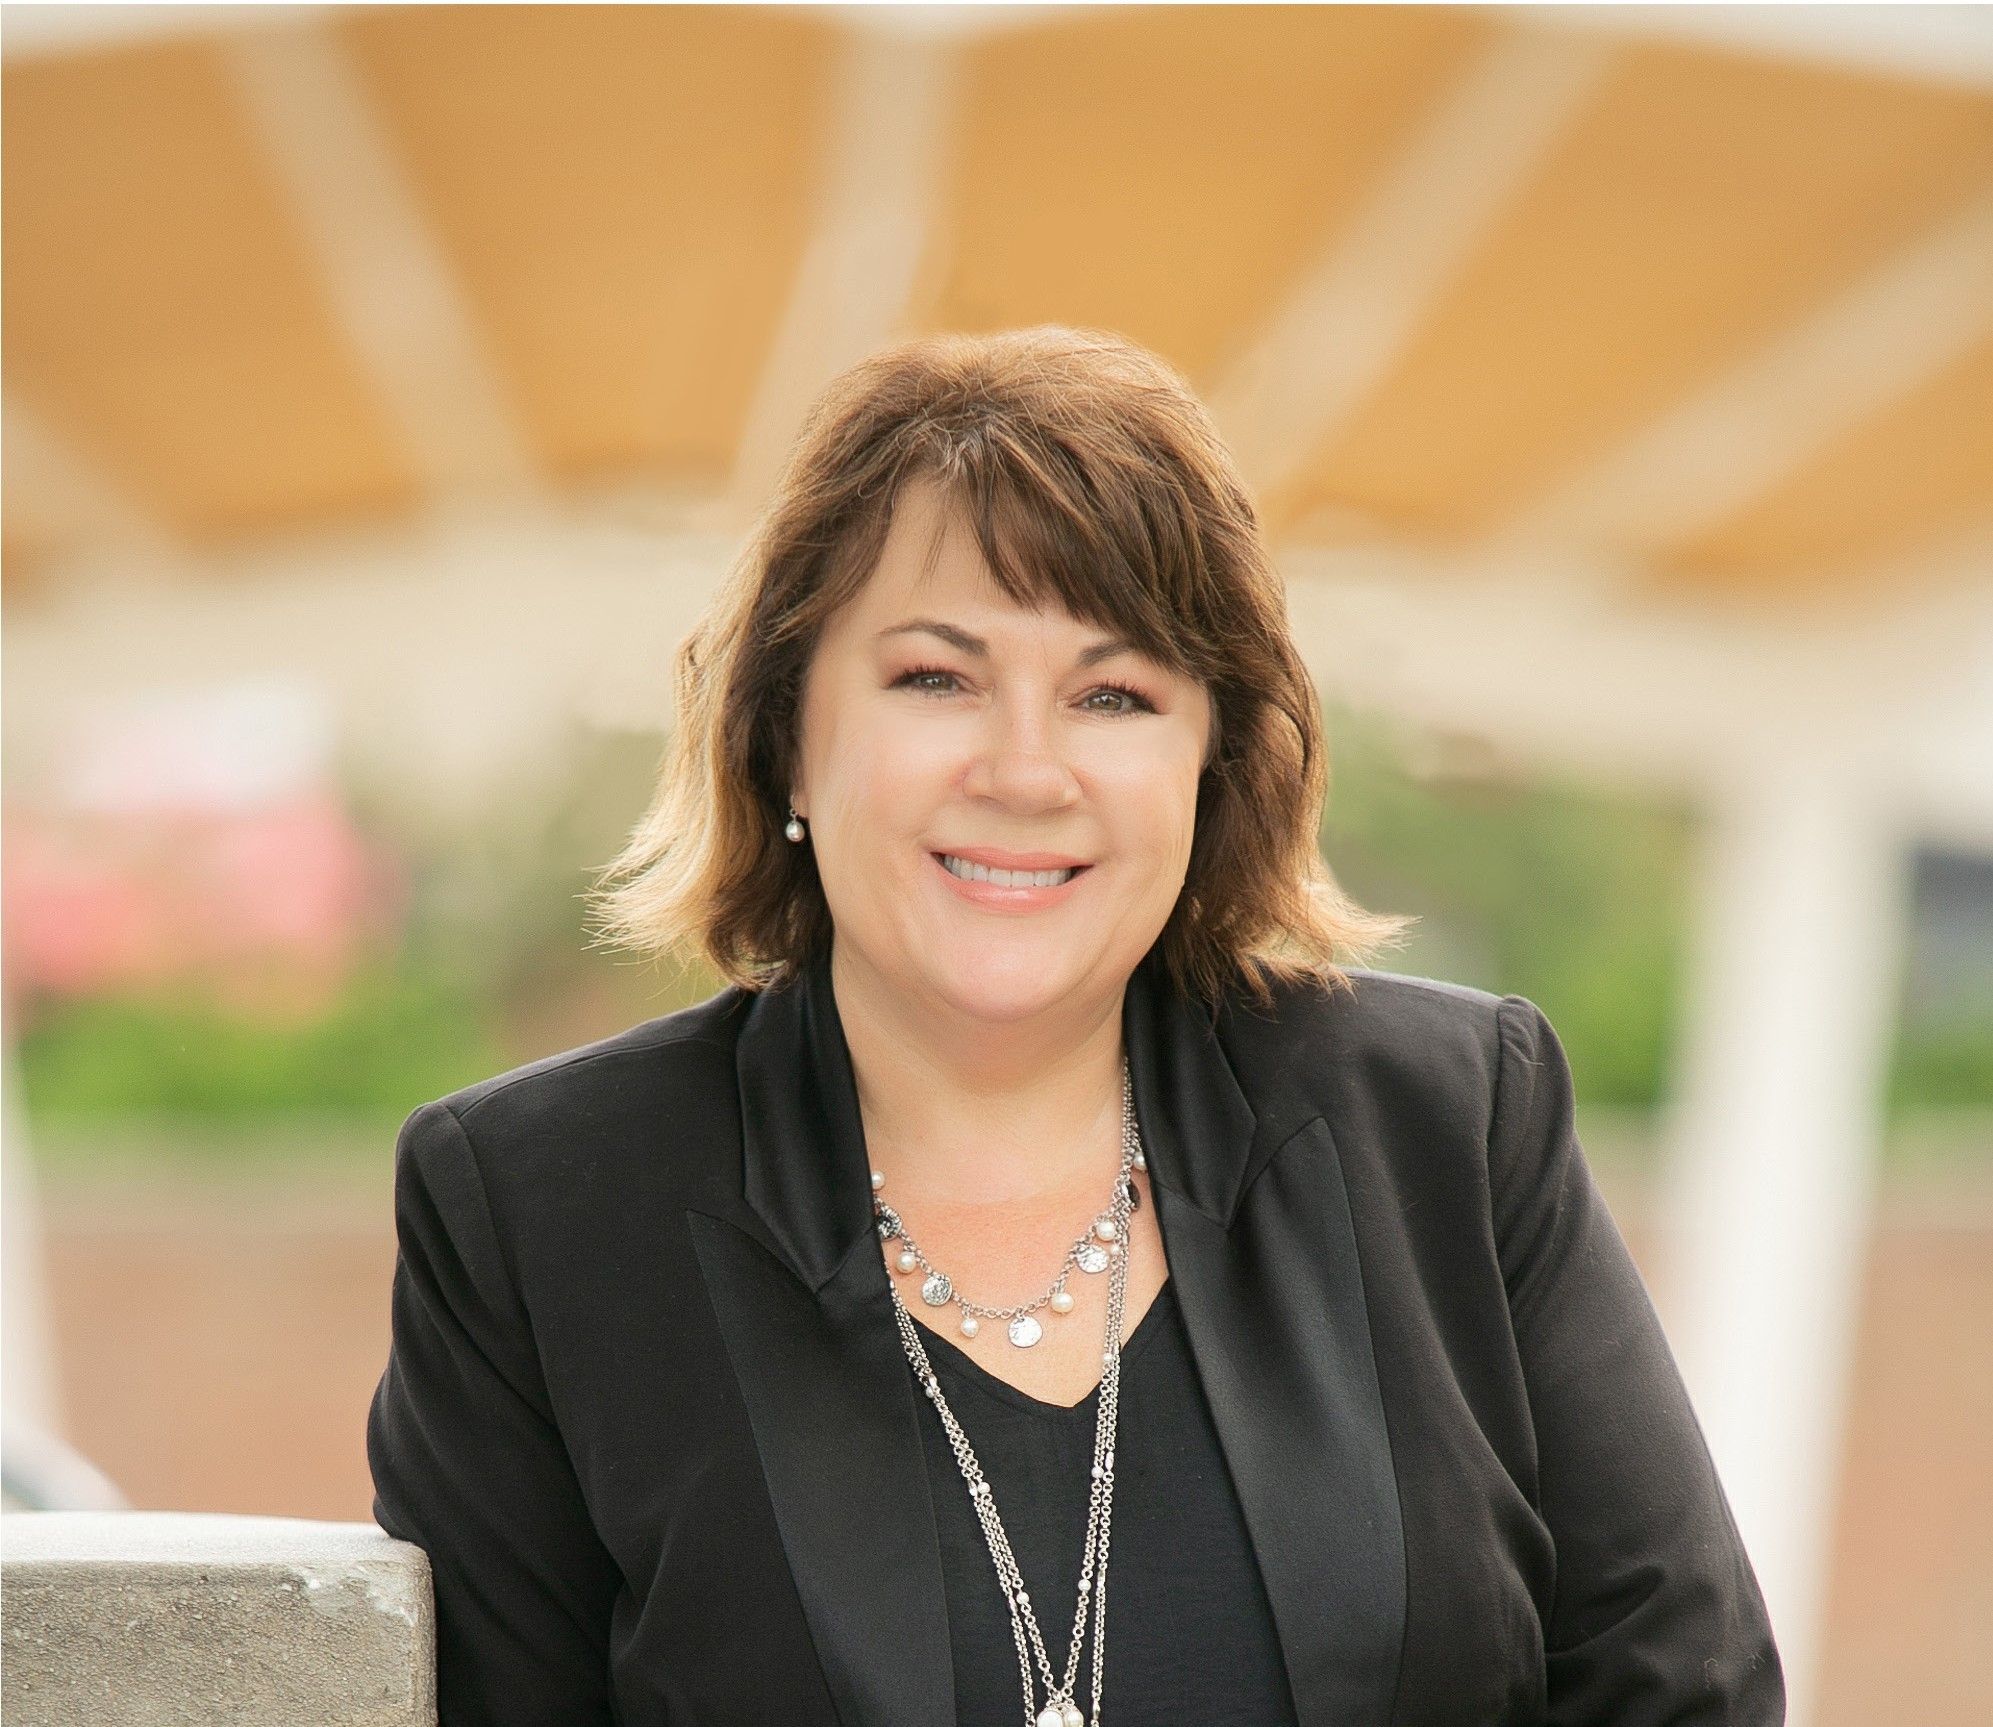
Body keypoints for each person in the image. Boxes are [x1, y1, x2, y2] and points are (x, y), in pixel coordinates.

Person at [366, 326, 1783, 1727]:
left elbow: (1682, 1695)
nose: (1026, 771)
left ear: (1208, 768)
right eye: (937, 677)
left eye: (1114, 696)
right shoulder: (536, 1209)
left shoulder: (1446, 1122)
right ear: (785, 728)